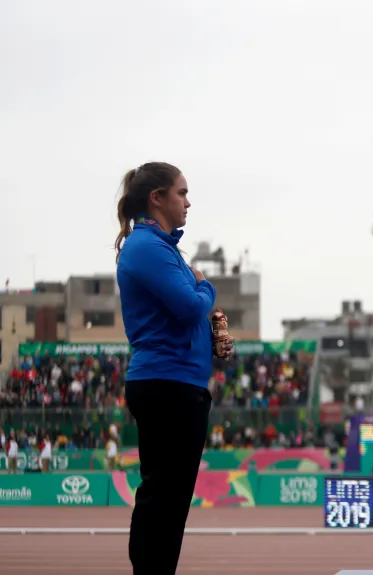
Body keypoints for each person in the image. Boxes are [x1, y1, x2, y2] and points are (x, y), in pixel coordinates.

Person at [115, 162, 233, 575]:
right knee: (162, 495)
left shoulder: (162, 248)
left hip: (177, 381)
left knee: (171, 496)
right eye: (181, 193)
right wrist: (206, 285)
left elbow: (185, 313)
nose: (188, 201)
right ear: (157, 198)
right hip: (166, 382)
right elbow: (188, 306)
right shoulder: (147, 247)